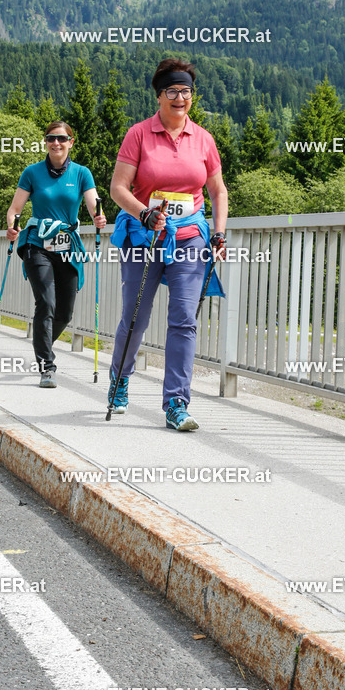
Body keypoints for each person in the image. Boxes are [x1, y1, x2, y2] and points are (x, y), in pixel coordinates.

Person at [109, 58, 228, 431]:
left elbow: (218, 190)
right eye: (173, 91)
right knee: (136, 316)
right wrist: (144, 213)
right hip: (145, 236)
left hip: (190, 237)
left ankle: (177, 403)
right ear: (159, 96)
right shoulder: (139, 134)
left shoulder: (203, 139)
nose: (181, 97)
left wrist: (219, 232)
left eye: (186, 91)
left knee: (183, 321)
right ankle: (120, 380)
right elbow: (117, 188)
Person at [6, 121, 107, 388]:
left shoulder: (82, 173)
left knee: (65, 312)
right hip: (37, 243)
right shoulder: (32, 172)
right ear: (46, 142)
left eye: (62, 139)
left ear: (71, 142)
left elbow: (92, 203)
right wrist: (12, 226)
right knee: (47, 303)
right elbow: (15, 208)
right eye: (51, 138)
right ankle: (47, 366)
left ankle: (42, 342)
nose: (56, 143)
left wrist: (98, 218)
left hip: (66, 245)